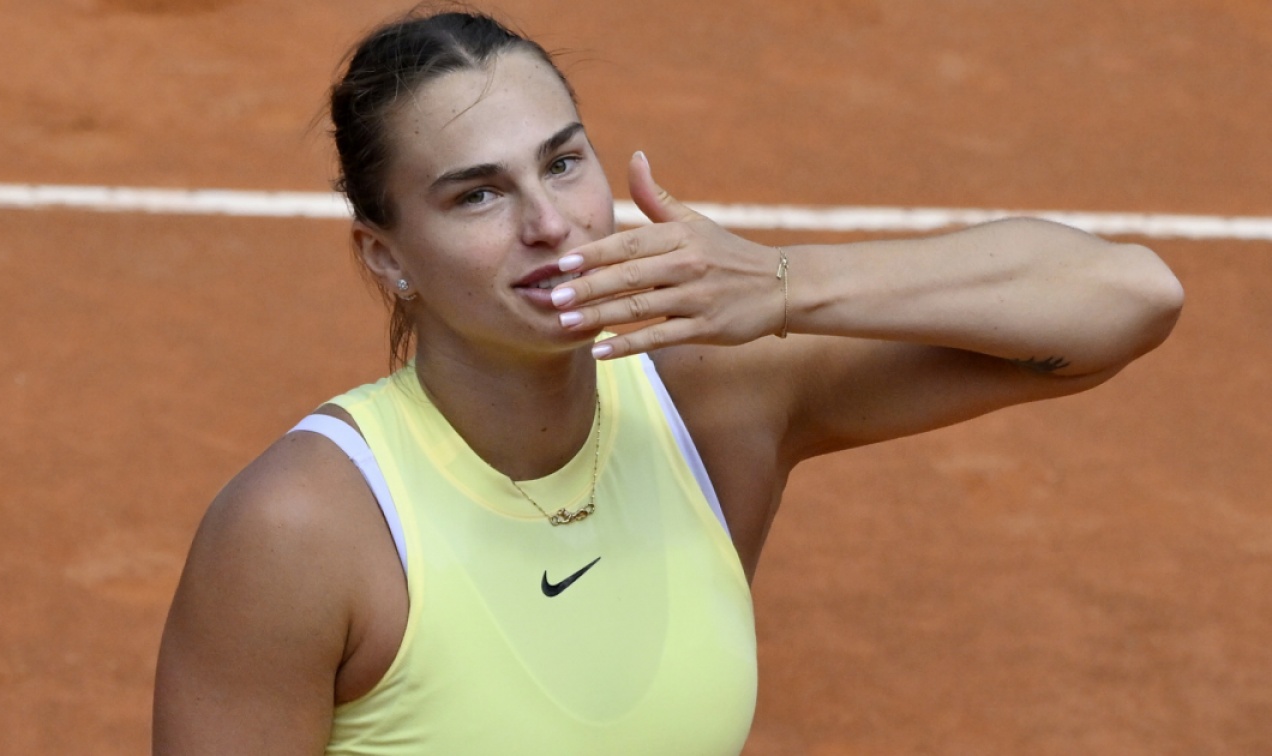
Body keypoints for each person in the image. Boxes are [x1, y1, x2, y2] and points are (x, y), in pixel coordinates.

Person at [152, 8, 1183, 754]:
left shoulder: (713, 404)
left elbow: (1128, 298)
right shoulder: (304, 532)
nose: (550, 224)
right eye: (478, 195)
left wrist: (785, 283)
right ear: (386, 257)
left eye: (564, 163)